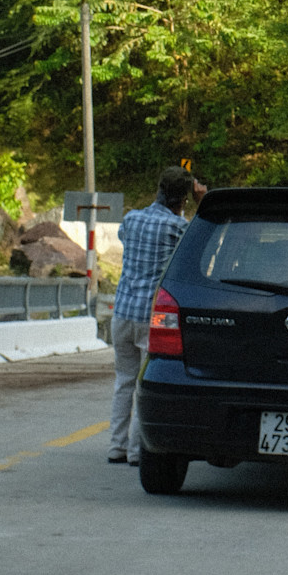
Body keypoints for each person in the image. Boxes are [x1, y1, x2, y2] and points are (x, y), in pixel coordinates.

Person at [107, 167, 205, 464]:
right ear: (184, 198)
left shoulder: (131, 219)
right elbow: (202, 243)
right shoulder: (178, 228)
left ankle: (116, 446)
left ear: (158, 189)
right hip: (150, 318)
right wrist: (202, 201)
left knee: (123, 380)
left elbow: (125, 238)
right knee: (144, 383)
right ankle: (138, 452)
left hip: (122, 312)